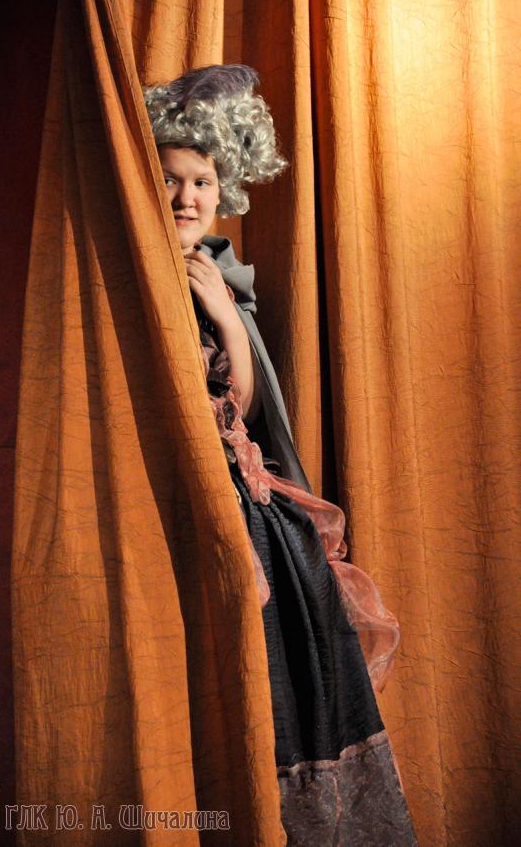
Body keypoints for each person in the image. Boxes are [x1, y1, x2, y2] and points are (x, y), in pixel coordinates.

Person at [144, 65, 417, 845]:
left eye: (201, 181)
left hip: (254, 506)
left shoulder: (218, 276)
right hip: (186, 505)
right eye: (170, 179)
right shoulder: (136, 275)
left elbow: (247, 406)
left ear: (222, 189)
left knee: (294, 667)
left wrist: (228, 319)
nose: (186, 197)